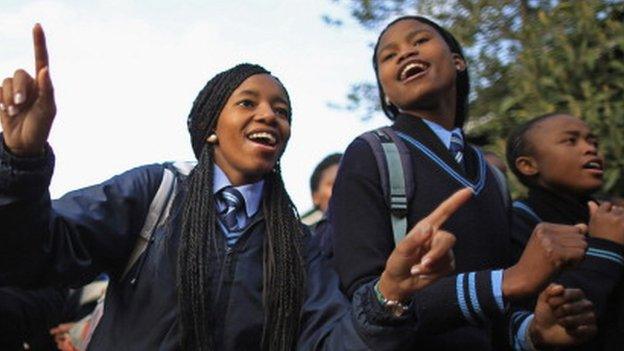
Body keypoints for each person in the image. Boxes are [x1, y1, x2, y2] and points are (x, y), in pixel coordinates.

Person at [2, 24, 478, 351]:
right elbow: (33, 255)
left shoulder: (298, 246)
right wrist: (21, 163)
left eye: (282, 111)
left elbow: (330, 341)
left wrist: (388, 294)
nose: (269, 116)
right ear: (211, 127)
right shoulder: (155, 194)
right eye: (247, 103)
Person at [329, 15, 596, 350]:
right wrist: (509, 281)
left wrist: (534, 332)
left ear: (458, 61)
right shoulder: (370, 154)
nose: (405, 53)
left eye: (420, 40)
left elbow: (497, 314)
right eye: (388, 54)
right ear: (386, 93)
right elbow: (368, 304)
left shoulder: (493, 176)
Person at [507, 112, 624, 350]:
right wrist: (605, 247)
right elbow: (558, 317)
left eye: (593, 142)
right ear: (528, 165)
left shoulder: (609, 213)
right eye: (571, 141)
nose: (590, 149)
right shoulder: (518, 224)